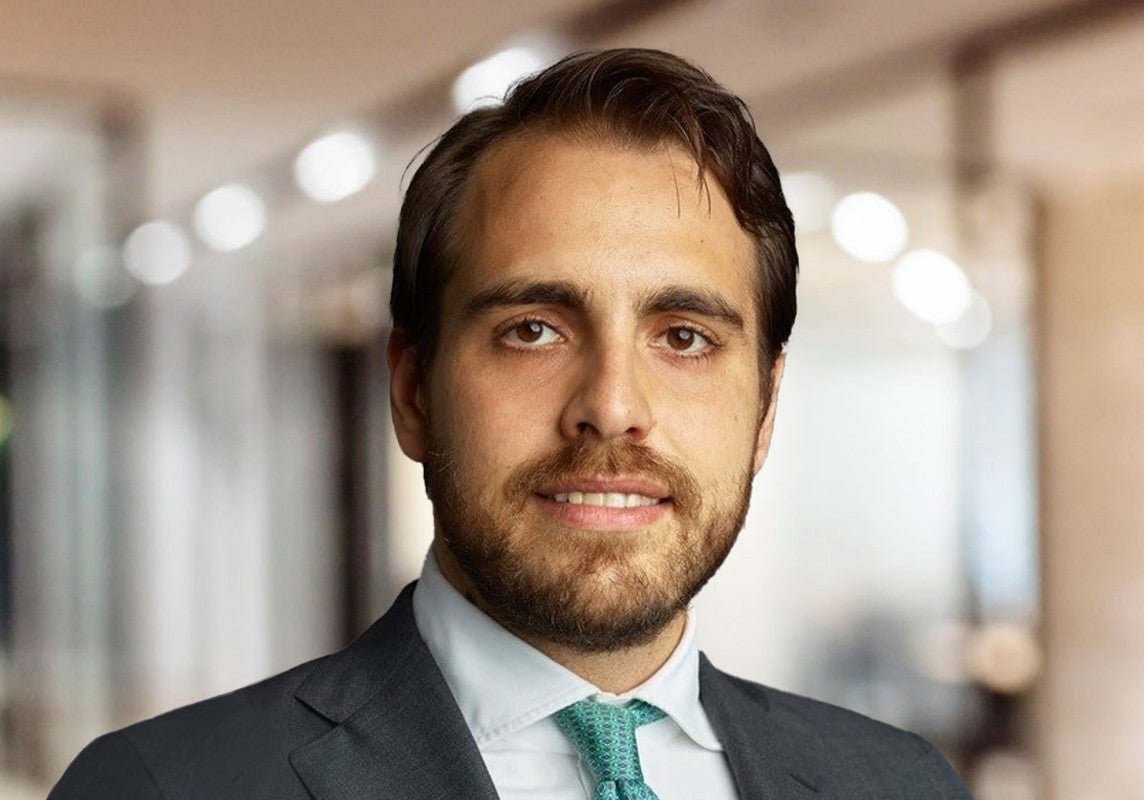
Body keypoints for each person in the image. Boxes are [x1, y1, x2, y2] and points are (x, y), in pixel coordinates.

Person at [50, 48, 973, 799]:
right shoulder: (160, 788)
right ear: (413, 391)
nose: (612, 406)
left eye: (684, 337)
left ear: (765, 409)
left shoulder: (902, 785)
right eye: (533, 329)